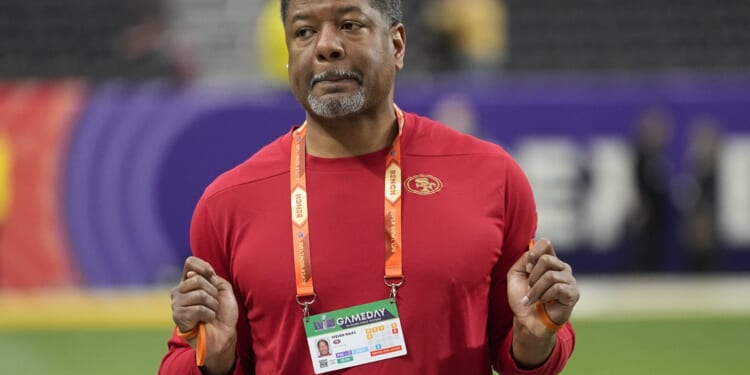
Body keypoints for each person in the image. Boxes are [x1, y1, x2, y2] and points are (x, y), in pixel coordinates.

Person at [159, 1, 579, 374]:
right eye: (304, 31)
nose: (326, 46)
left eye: (350, 25)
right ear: (288, 55)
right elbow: (185, 359)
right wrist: (213, 359)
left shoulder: (492, 176)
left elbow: (524, 350)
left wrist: (536, 340)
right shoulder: (227, 204)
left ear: (397, 46)